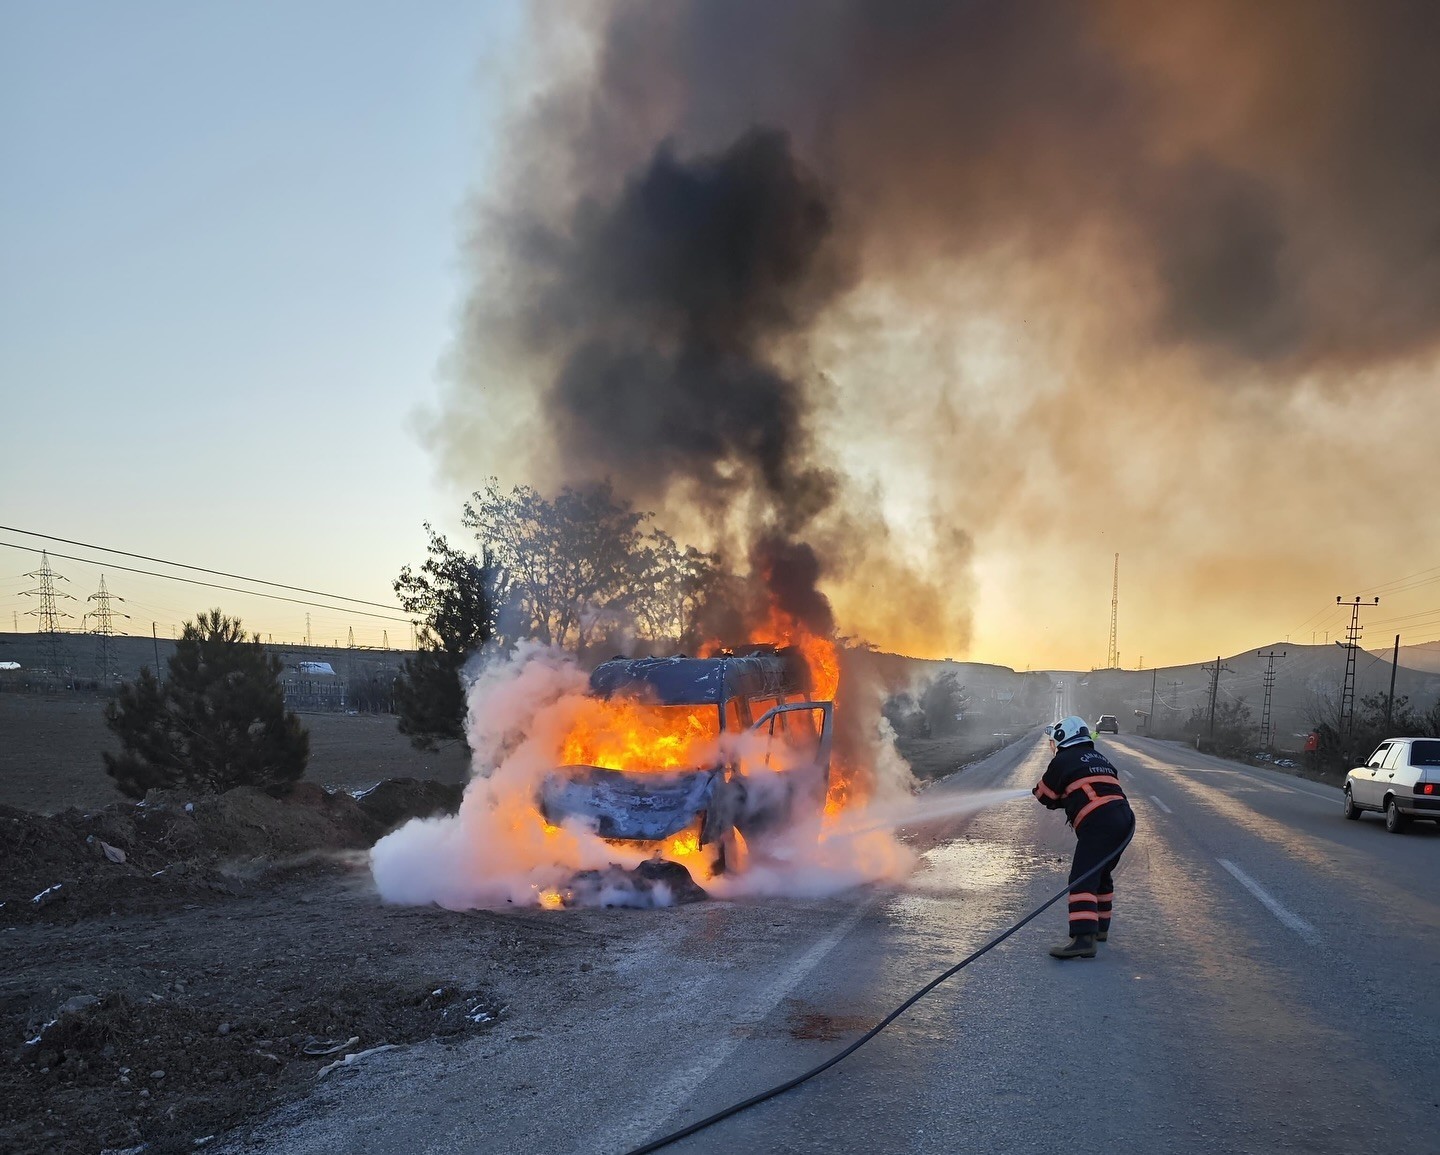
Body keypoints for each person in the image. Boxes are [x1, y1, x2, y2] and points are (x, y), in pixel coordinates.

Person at [1033, 716, 1135, 960]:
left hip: (1099, 821)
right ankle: (1100, 929)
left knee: (1082, 877)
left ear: (1061, 737)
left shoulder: (1063, 760)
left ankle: (1083, 939)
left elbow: (1045, 795)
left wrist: (1041, 792)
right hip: (1124, 819)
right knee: (1100, 873)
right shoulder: (1100, 758)